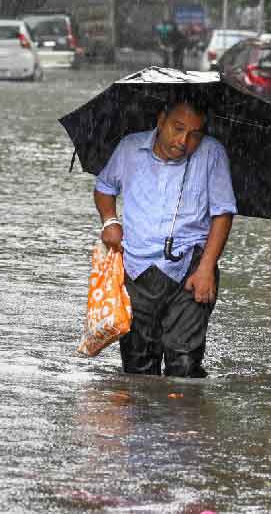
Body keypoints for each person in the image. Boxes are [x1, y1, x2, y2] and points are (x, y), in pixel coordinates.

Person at [93, 97, 236, 378]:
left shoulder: (212, 154)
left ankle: (182, 421)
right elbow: (104, 187)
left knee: (183, 366)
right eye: (178, 128)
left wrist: (206, 268)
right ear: (161, 120)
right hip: (135, 269)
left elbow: (223, 213)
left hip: (191, 270)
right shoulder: (130, 148)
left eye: (194, 134)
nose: (183, 141)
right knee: (138, 370)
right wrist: (110, 221)